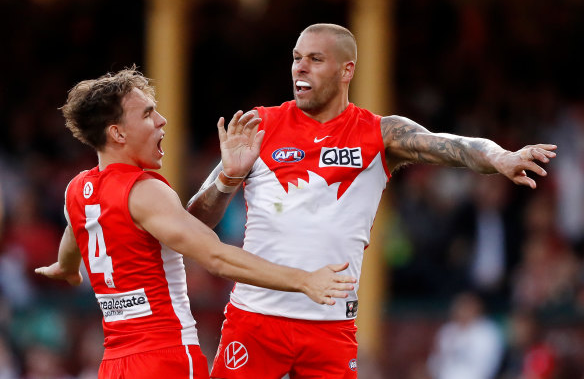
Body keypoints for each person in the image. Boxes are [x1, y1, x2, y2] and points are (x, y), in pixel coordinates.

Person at [187, 23, 557, 379]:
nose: (300, 66)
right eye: (297, 57)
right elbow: (195, 221)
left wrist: (500, 157)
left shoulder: (380, 134)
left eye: (315, 59)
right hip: (256, 320)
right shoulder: (261, 126)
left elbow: (457, 146)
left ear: (347, 70)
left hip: (330, 327)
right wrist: (227, 177)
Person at [34, 68, 356, 379]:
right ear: (117, 133)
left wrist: (65, 267)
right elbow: (215, 258)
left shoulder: (78, 191)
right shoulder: (145, 191)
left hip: (115, 364)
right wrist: (303, 280)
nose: (162, 120)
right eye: (147, 114)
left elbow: (74, 234)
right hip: (166, 359)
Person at [427, 292, 504, 379]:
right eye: (459, 307)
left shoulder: (487, 332)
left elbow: (486, 367)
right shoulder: (447, 330)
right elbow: (434, 363)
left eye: (466, 307)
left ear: (477, 308)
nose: (461, 311)